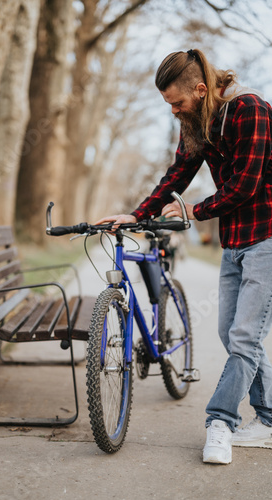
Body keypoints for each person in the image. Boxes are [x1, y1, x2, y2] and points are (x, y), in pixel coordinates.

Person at [97, 48, 272, 464]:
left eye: (177, 102)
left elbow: (246, 185)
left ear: (200, 88)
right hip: (234, 241)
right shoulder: (195, 121)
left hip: (267, 237)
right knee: (231, 335)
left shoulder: (251, 110)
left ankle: (220, 422)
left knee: (245, 337)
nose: (174, 111)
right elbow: (178, 174)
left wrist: (195, 210)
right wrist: (137, 214)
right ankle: (267, 420)